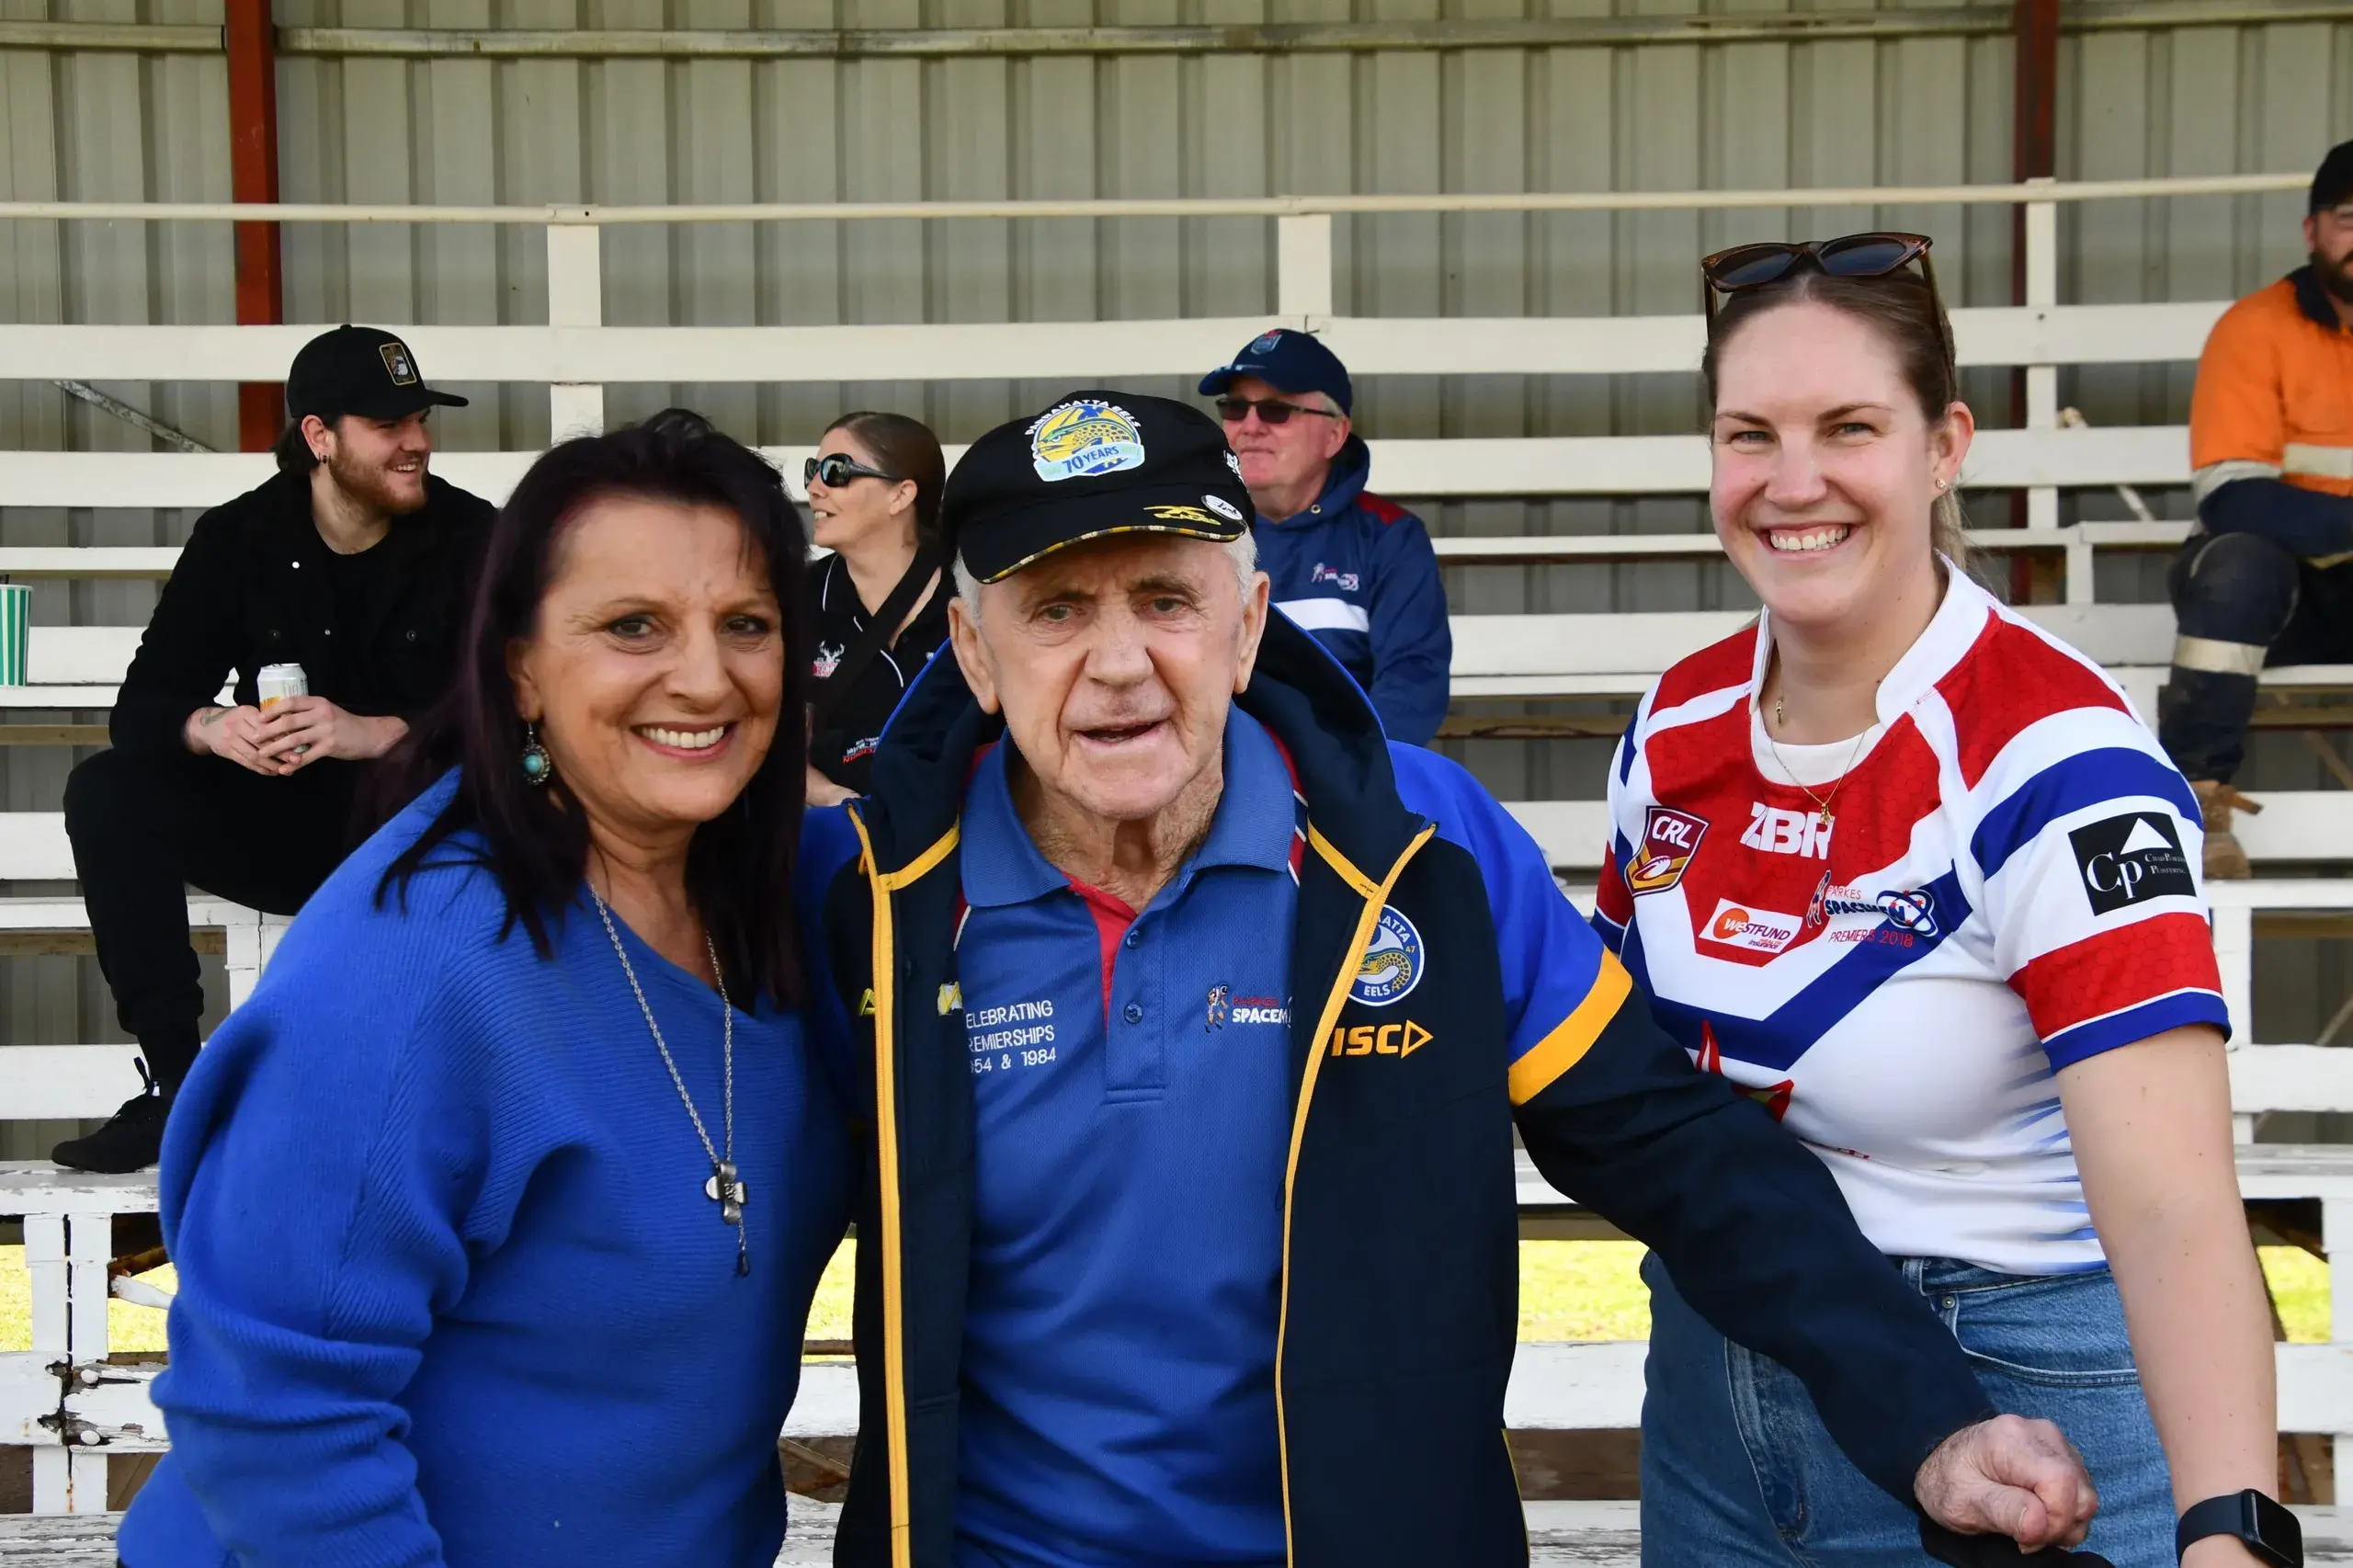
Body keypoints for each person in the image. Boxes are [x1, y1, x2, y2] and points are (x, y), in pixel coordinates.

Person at [806, 390, 2105, 1567]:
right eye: (1055, 611)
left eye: (1165, 597)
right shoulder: (863, 897)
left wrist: (1930, 1419)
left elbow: (1670, 1144)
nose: (1121, 660)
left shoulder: (1421, 845)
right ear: (974, 656)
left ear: (1248, 623)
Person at [1597, 233, 2285, 1567]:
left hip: (2025, 1409)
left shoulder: (2056, 756)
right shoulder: (1672, 722)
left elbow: (2175, 1204)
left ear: (1943, 444)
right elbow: (1627, 1084)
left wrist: (2231, 1532)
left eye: (1849, 426)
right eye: (1751, 434)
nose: (1793, 483)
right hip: (1713, 1392)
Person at [115, 411, 854, 1568]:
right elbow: (273, 1411)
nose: (704, 676)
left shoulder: (798, 897)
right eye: (632, 626)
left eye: (746, 624)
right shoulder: (417, 963)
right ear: (518, 666)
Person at [53, 324, 496, 1174]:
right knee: (107, 791)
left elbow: (528, 711)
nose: (418, 444)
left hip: (414, 831)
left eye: (420, 421)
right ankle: (176, 1085)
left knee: (487, 788)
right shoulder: (239, 536)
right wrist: (215, 730)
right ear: (318, 438)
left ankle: (432, 1100)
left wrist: (381, 733)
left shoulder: (475, 536)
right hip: (279, 824)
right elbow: (141, 708)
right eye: (390, 426)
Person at [2163, 137, 2353, 879]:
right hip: (2279, 600)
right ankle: (2198, 802)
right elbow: (2236, 498)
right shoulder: (2255, 328)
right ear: (2312, 231)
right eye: (2348, 218)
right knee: (2239, 563)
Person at [1199, 327, 1451, 745]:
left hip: (1344, 779)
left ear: (1335, 434)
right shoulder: (1193, 533)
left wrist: (1353, 782)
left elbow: (1412, 681)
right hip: (1218, 777)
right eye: (1236, 407)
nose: (1250, 426)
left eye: (1277, 410)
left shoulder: (1389, 536)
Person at [803, 411, 950, 804]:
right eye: (813, 471)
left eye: (836, 470)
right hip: (844, 842)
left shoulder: (976, 592)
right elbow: (771, 746)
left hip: (967, 843)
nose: (815, 488)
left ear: (900, 495)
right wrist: (836, 801)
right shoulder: (798, 599)